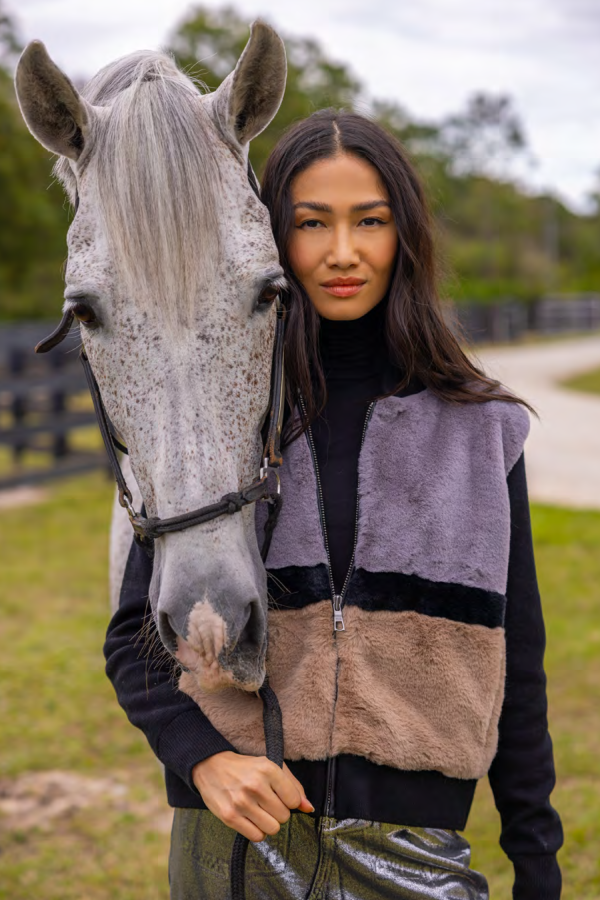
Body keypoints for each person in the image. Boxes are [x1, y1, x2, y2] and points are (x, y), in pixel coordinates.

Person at [104, 109, 563, 899]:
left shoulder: (483, 431)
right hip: (236, 848)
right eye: (312, 222)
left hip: (417, 852)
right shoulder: (224, 426)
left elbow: (516, 667)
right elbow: (132, 638)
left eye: (370, 221)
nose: (342, 252)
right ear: (273, 238)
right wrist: (202, 757)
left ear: (404, 236)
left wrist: (538, 866)